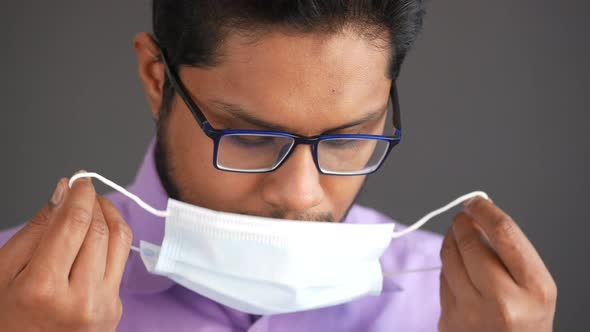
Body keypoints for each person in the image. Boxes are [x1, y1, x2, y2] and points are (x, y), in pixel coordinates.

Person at [0, 1, 557, 331]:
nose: (301, 195)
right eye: (249, 136)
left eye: (348, 138)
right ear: (156, 78)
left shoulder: (456, 304)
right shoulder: (13, 300)